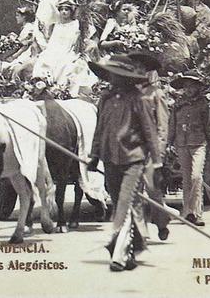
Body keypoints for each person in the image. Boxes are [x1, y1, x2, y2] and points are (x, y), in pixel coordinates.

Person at [86, 54, 163, 272]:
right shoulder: (105, 99)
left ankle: (118, 255)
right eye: (110, 75)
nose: (112, 79)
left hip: (133, 160)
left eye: (116, 75)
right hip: (110, 159)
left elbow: (150, 133)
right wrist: (94, 156)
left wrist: (156, 163)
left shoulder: (139, 100)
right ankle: (133, 247)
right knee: (119, 203)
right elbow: (99, 130)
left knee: (125, 204)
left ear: (125, 77)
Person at [128, 52, 171, 241]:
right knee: (133, 190)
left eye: (140, 69)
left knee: (152, 189)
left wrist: (158, 154)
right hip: (132, 148)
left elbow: (162, 125)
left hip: (150, 150)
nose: (137, 72)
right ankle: (139, 230)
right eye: (134, 68)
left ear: (146, 72)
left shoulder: (156, 94)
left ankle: (161, 222)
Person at [168, 71, 210, 226]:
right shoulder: (178, 105)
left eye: (192, 86)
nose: (189, 89)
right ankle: (188, 212)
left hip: (198, 144)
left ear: (197, 88)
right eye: (186, 86)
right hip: (182, 144)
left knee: (196, 176)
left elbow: (209, 126)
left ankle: (197, 213)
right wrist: (168, 143)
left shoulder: (203, 105)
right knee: (186, 179)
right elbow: (172, 125)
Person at [32, 0, 96, 96]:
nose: (64, 12)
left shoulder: (76, 24)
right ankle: (43, 85)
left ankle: (62, 88)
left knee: (66, 64)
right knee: (43, 60)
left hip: (70, 50)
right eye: (62, 10)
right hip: (55, 50)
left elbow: (80, 39)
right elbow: (53, 42)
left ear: (71, 11)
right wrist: (49, 52)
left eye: (66, 10)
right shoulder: (56, 26)